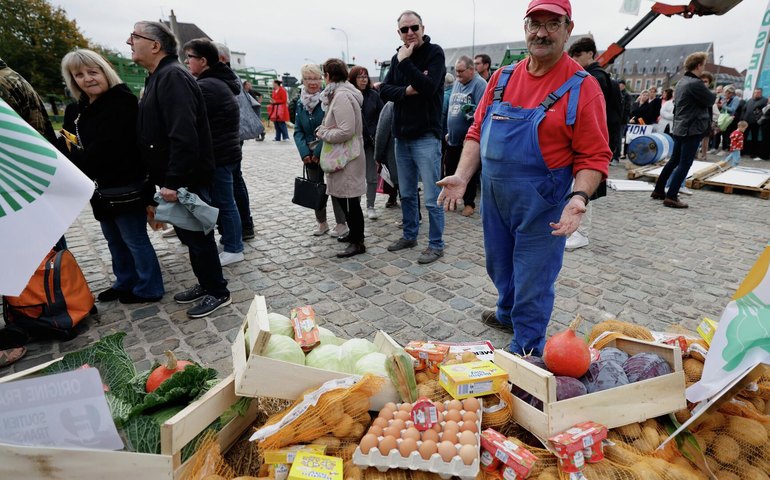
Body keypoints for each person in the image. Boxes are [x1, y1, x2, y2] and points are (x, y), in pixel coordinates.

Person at [437, 0, 610, 355]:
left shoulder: (583, 87)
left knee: (534, 275)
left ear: (568, 29)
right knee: (499, 263)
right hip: (495, 196)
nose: (541, 33)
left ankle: (527, 346)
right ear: (525, 27)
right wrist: (462, 176)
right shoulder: (502, 77)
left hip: (542, 201)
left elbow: (594, 155)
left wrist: (579, 197)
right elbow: (476, 131)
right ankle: (507, 313)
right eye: (535, 23)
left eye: (552, 24)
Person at [129, 21, 231, 318]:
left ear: (155, 45)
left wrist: (173, 181)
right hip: (176, 177)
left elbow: (183, 134)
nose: (129, 42)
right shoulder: (159, 75)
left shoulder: (172, 76)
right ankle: (206, 283)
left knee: (199, 237)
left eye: (134, 36)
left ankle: (218, 291)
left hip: (187, 178)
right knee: (189, 236)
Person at [59, 48, 165, 305]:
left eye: (92, 72)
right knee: (113, 239)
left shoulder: (122, 102)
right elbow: (66, 142)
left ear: (104, 72)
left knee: (134, 239)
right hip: (98, 186)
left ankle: (149, 287)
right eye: (79, 75)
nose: (87, 79)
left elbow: (109, 147)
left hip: (125, 183)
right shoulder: (77, 109)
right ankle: (125, 281)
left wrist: (76, 160)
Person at [380, 10, 447, 265]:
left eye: (414, 27)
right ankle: (409, 235)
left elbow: (429, 87)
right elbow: (385, 91)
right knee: (407, 193)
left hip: (426, 137)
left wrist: (406, 62)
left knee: (432, 197)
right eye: (404, 29)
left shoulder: (434, 53)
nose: (410, 33)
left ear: (422, 28)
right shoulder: (396, 57)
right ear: (398, 33)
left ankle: (436, 244)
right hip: (402, 137)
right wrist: (407, 91)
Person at [183, 38, 244, 267]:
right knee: (224, 202)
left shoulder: (208, 86)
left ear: (203, 60)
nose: (186, 62)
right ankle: (230, 241)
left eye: (190, 57)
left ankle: (234, 247)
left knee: (225, 203)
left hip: (219, 154)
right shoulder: (215, 82)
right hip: (224, 152)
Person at [564, 36, 619, 250]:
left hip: (595, 141)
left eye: (578, 55)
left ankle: (580, 232)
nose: (575, 59)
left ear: (591, 54)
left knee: (583, 186)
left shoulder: (593, 78)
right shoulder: (599, 76)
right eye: (573, 55)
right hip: (602, 138)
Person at [315, 59, 367, 258]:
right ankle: (354, 235)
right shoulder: (339, 93)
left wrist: (323, 132)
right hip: (345, 155)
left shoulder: (342, 96)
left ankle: (358, 242)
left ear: (328, 75)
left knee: (351, 201)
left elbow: (346, 130)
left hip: (347, 156)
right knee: (345, 199)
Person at [651, 52, 716, 209]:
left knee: (674, 161)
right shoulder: (695, 83)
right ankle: (672, 196)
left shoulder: (682, 81)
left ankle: (659, 190)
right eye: (703, 65)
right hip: (691, 128)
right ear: (698, 65)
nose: (703, 68)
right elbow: (711, 99)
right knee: (685, 163)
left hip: (680, 127)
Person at [293, 63, 348, 237]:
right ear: (303, 80)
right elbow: (298, 131)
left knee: (335, 188)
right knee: (315, 188)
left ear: (322, 79)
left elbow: (331, 127)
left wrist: (318, 153)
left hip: (328, 150)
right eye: (308, 79)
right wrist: (305, 153)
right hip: (309, 155)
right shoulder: (300, 103)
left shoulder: (328, 99)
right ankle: (322, 223)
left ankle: (341, 223)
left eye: (316, 78)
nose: (312, 82)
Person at [213, 43, 255, 242]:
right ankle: (244, 224)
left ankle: (243, 225)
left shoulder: (226, 78)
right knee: (236, 179)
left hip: (229, 137)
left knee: (233, 181)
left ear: (222, 59)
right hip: (232, 136)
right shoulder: (230, 77)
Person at [443, 55, 486, 217]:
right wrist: (450, 131)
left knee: (470, 173)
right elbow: (453, 108)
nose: (458, 74)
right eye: (456, 71)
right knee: (450, 169)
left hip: (470, 140)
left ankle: (469, 203)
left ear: (471, 70)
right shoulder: (457, 83)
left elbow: (483, 112)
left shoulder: (480, 85)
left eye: (461, 71)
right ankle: (452, 199)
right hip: (453, 138)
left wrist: (470, 112)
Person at [349, 66, 384, 220]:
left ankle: (370, 205)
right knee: (355, 177)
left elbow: (382, 115)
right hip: (354, 143)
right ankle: (355, 206)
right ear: (353, 79)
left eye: (365, 76)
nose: (363, 80)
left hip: (370, 142)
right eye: (359, 77)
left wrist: (376, 131)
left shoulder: (374, 95)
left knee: (371, 176)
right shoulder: (349, 95)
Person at [375, 101, 399, 208]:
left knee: (396, 180)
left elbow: (382, 132)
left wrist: (378, 155)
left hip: (394, 153)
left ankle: (393, 197)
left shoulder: (390, 105)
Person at [741, 88, 768, 160]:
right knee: (743, 137)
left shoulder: (764, 100)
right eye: (755, 92)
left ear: (761, 93)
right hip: (746, 122)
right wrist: (742, 118)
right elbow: (744, 109)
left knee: (754, 138)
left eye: (758, 92)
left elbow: (765, 111)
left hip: (755, 123)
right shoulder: (750, 100)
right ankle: (742, 151)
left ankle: (753, 153)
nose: (756, 94)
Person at [718, 85, 740, 155]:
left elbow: (733, 109)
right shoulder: (725, 98)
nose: (724, 94)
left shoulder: (736, 99)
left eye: (726, 92)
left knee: (727, 134)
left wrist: (723, 106)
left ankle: (725, 149)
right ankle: (721, 148)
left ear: (731, 93)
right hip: (724, 118)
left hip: (731, 119)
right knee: (722, 133)